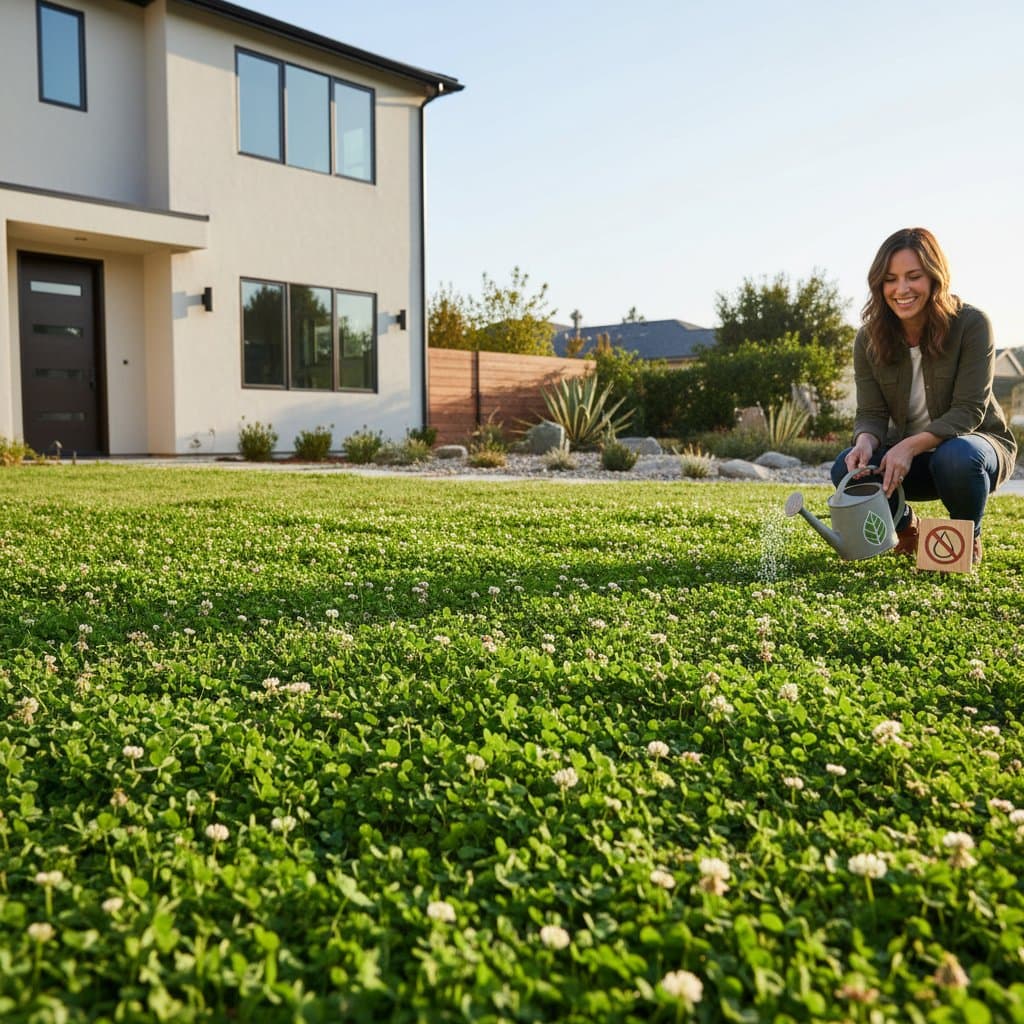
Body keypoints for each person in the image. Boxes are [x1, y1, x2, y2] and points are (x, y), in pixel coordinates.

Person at [832, 227, 1017, 565]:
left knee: (956, 455)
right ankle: (909, 529)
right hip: (911, 461)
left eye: (913, 276)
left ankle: (965, 537)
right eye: (890, 279)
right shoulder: (868, 339)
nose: (901, 289)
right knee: (844, 468)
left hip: (972, 450)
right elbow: (871, 413)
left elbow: (968, 411)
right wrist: (864, 443)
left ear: (935, 277)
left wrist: (908, 446)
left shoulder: (972, 325)